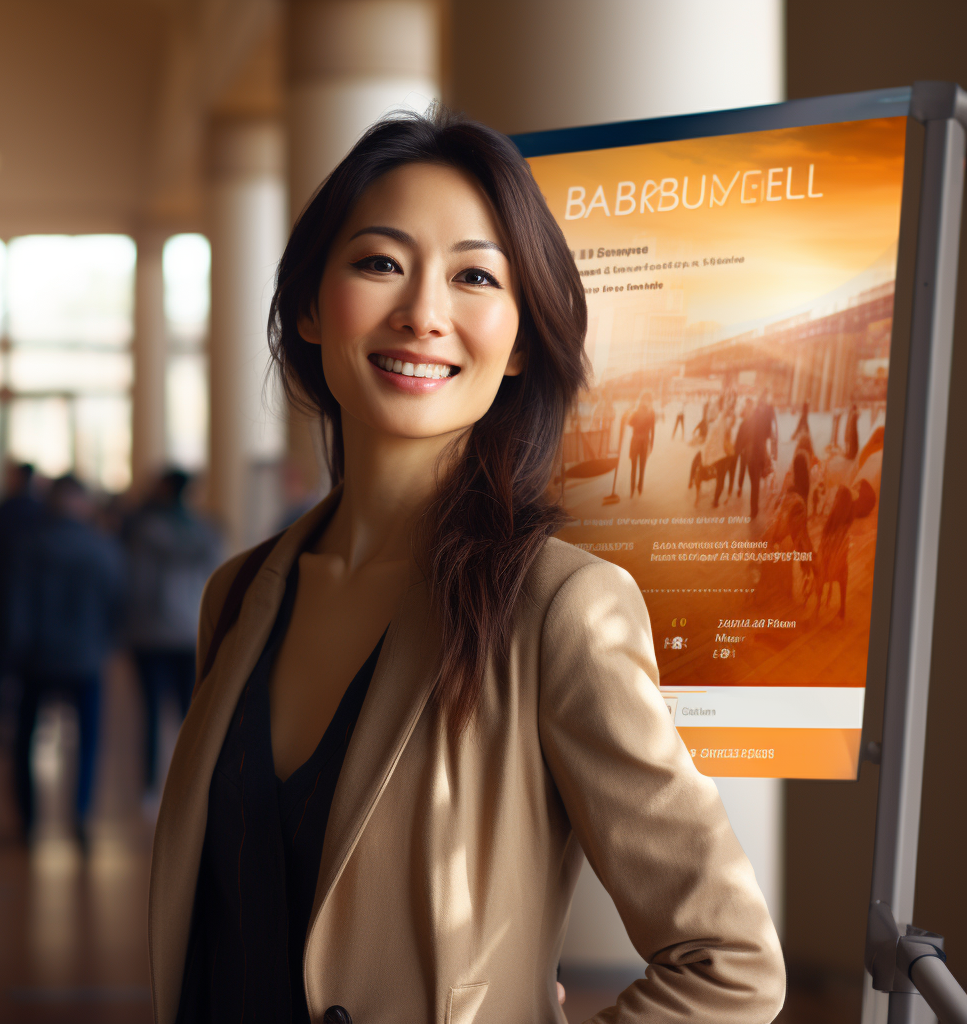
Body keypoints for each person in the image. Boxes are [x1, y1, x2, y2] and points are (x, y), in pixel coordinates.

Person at [150, 110, 784, 1024]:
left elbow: (729, 964)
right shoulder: (240, 593)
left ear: (521, 339)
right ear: (309, 306)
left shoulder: (561, 608)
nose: (423, 313)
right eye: (379, 263)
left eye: (475, 276)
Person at [8, 475, 124, 845]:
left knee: (25, 740)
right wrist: (105, 643)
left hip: (37, 658)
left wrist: (16, 649)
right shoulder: (101, 547)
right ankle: (80, 813)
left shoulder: (30, 545)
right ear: (84, 504)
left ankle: (29, 820)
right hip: (86, 658)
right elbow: (117, 601)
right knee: (88, 741)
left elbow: (18, 605)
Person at [122, 469, 222, 797]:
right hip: (190, 631)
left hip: (149, 632)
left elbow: (137, 583)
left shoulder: (145, 531)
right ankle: (189, 781)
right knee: (189, 712)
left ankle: (150, 785)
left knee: (150, 712)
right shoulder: (206, 532)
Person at [0, 462, 43, 738]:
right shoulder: (40, 515)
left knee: (0, 662)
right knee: (26, 666)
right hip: (28, 602)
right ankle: (17, 722)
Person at [745, 390, 778, 519]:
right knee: (755, 484)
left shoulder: (757, 418)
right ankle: (754, 509)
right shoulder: (760, 419)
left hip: (754, 456)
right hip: (756, 455)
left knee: (754, 484)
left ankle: (754, 510)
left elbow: (770, 432)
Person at [627, 391, 655, 497]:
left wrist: (651, 445)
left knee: (639, 466)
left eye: (647, 400)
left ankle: (636, 489)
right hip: (640, 442)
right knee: (637, 466)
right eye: (645, 399)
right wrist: (651, 445)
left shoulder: (645, 412)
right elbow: (630, 423)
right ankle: (636, 488)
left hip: (639, 442)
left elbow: (652, 430)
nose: (645, 402)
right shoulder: (646, 411)